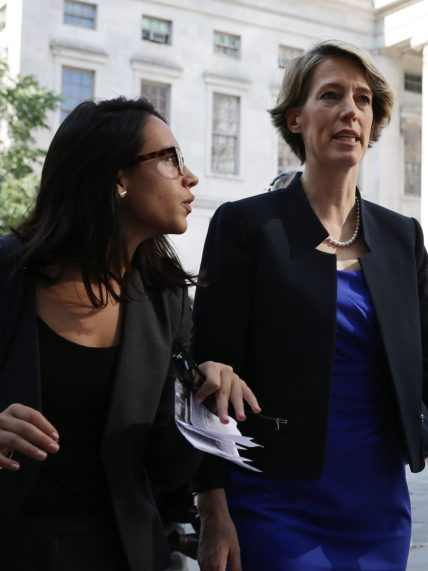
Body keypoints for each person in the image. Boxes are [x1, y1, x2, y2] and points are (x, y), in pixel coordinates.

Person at [191, 40, 428, 571]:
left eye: (364, 99)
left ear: (374, 124)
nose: (351, 110)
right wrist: (212, 509)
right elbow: (208, 374)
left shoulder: (399, 236)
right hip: (272, 497)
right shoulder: (246, 226)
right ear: (296, 119)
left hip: (376, 502)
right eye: (331, 95)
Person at [0, 97, 257, 571]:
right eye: (170, 158)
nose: (190, 176)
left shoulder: (166, 300)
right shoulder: (7, 273)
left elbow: (167, 470)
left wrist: (204, 403)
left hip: (125, 552)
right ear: (117, 179)